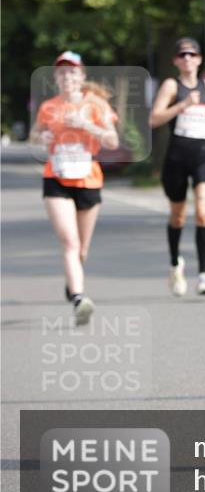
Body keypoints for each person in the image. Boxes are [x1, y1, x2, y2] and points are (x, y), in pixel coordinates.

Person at [30, 51, 119, 326]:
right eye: (62, 72)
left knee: (81, 249)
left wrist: (86, 124)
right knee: (69, 242)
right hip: (56, 176)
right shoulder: (49, 107)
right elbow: (35, 135)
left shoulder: (96, 104)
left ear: (81, 76)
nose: (67, 76)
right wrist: (41, 137)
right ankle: (80, 298)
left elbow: (113, 141)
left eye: (72, 71)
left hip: (88, 178)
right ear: (56, 77)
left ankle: (73, 284)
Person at [149, 38, 205, 297]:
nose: (187, 58)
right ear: (176, 61)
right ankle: (175, 264)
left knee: (203, 212)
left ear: (200, 58)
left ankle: (203, 276)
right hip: (177, 156)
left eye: (192, 54)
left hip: (203, 154)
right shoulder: (172, 85)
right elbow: (154, 118)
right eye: (182, 55)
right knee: (178, 215)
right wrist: (182, 105)